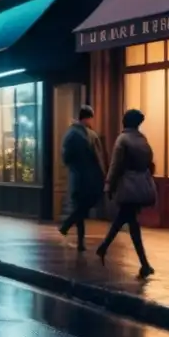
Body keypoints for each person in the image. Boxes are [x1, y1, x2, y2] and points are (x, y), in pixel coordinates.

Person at [96, 109, 156, 278]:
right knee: (129, 221)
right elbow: (150, 162)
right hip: (139, 184)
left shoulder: (122, 139)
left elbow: (115, 165)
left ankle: (104, 248)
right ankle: (143, 263)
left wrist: (108, 185)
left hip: (127, 184)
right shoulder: (142, 139)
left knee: (126, 220)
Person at [58, 105, 107, 251]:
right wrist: (103, 175)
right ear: (88, 118)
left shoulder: (69, 133)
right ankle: (68, 225)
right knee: (84, 207)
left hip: (75, 176)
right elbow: (98, 158)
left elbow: (65, 157)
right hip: (90, 178)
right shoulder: (90, 135)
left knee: (79, 206)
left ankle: (80, 242)